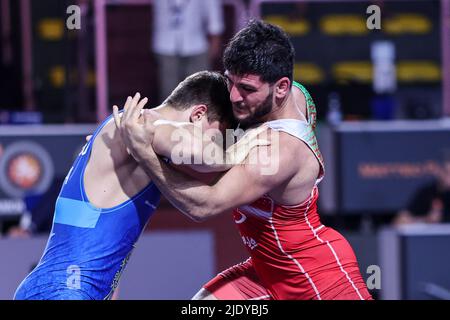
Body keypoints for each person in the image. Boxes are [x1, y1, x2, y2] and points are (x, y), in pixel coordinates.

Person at [115, 20, 373, 300]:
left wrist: (144, 154)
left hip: (316, 279)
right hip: (266, 270)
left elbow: (204, 205)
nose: (234, 97)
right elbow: (211, 156)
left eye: (247, 89)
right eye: (230, 82)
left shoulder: (278, 150)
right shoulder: (291, 95)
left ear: (281, 87)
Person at [14, 71, 262, 300]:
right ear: (198, 114)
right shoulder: (143, 124)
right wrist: (255, 145)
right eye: (217, 136)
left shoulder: (138, 142)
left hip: (61, 289)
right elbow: (207, 157)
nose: (217, 145)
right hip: (64, 291)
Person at [152, 0, 224, 102]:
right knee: (168, 93)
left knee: (200, 91)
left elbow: (212, 7)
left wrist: (215, 35)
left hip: (197, 43)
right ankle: (168, 118)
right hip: (165, 43)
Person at [394, 160, 450, 225]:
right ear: (440, 172)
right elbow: (400, 220)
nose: (449, 176)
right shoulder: (427, 192)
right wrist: (426, 219)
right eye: (447, 172)